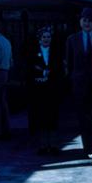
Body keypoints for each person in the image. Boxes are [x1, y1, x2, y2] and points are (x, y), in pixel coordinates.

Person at [65, 7, 92, 158]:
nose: (87, 23)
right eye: (84, 20)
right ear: (80, 21)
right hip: (80, 84)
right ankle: (88, 147)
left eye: (90, 20)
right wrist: (73, 79)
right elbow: (69, 64)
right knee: (84, 116)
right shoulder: (72, 39)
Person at [27, 26, 63, 154]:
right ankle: (42, 145)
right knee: (41, 116)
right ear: (39, 39)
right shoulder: (32, 52)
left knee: (53, 117)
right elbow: (29, 69)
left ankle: (53, 145)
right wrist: (38, 78)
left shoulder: (56, 52)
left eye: (48, 37)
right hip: (39, 90)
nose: (46, 39)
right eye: (44, 37)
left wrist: (51, 77)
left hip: (52, 89)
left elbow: (59, 69)